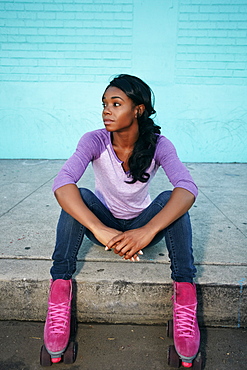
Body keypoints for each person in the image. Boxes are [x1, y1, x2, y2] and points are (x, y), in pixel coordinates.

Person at [43, 74, 200, 367]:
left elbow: (187, 188)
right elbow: (62, 182)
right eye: (104, 104)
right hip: (105, 223)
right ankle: (60, 289)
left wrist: (147, 231)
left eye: (116, 103)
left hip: (143, 225)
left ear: (138, 109)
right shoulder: (94, 140)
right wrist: (99, 229)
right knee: (78, 195)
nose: (106, 110)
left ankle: (185, 294)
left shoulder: (159, 145)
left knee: (172, 198)